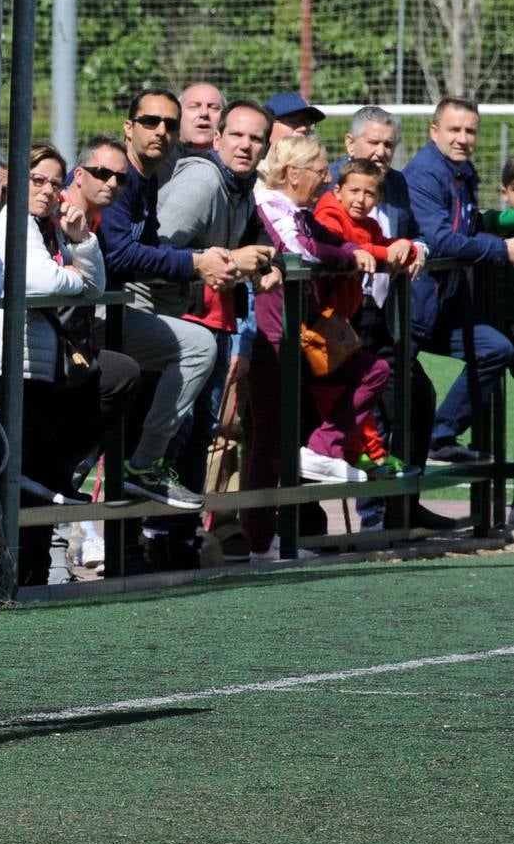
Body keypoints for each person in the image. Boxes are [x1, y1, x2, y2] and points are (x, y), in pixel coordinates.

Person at [246, 135, 391, 560]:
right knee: (267, 443)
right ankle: (259, 544)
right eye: (320, 171)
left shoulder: (301, 212)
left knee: (372, 369)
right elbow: (300, 252)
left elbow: (329, 240)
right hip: (272, 340)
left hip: (309, 333)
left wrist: (355, 250)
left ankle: (322, 450)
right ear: (293, 173)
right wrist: (351, 257)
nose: (327, 179)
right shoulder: (270, 207)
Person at [151, 99, 282, 567]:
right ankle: (151, 535)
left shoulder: (241, 186)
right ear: (219, 139)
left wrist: (269, 262)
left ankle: (179, 535)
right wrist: (226, 259)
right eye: (238, 136)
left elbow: (262, 240)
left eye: (256, 139)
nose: (246, 145)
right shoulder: (203, 181)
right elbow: (157, 252)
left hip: (209, 327)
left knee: (200, 432)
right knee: (172, 434)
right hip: (176, 326)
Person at [95, 87, 233, 511]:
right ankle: (146, 465)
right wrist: (194, 263)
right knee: (197, 346)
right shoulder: (118, 174)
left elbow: (150, 243)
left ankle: (140, 478)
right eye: (150, 122)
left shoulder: (149, 178)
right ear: (129, 127)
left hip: (109, 314)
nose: (161, 132)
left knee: (90, 439)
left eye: (170, 125)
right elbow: (118, 252)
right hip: (81, 318)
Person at [325, 106, 452, 531]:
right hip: (336, 319)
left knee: (418, 398)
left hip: (384, 316)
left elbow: (415, 234)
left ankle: (405, 505)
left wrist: (414, 249)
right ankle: (374, 521)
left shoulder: (396, 184)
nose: (381, 152)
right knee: (366, 412)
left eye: (388, 145)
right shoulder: (328, 182)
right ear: (350, 144)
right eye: (373, 142)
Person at [0, 141, 108, 585]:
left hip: (45, 366)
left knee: (39, 477)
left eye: (55, 183)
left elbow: (96, 287)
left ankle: (36, 573)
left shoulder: (52, 230)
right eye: (36, 179)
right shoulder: (11, 221)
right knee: (20, 476)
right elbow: (38, 282)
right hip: (15, 364)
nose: (46, 190)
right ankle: (15, 574)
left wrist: (81, 240)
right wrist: (76, 280)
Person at [403, 97, 514, 463]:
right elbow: (440, 239)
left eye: (470, 131)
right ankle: (382, 516)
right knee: (397, 406)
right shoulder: (424, 173)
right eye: (455, 129)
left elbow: (469, 227)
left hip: (445, 304)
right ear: (435, 131)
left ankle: (442, 434)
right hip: (412, 307)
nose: (463, 138)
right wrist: (502, 250)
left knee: (494, 348)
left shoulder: (464, 173)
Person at [59, 135, 143, 571]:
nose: (112, 183)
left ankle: (83, 518)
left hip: (78, 348)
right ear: (78, 175)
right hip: (43, 355)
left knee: (120, 376)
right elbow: (57, 284)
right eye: (102, 173)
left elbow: (92, 287)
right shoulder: (54, 213)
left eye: (120, 178)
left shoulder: (95, 221)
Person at [312, 158, 417, 478]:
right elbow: (345, 246)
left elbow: (387, 247)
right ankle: (339, 450)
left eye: (369, 194)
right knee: (342, 388)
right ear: (338, 190)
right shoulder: (329, 212)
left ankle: (366, 453)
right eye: (354, 191)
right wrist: (389, 253)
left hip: (340, 322)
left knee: (362, 383)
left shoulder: (369, 224)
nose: (360, 199)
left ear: (379, 199)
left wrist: (407, 248)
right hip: (319, 322)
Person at [154, 82, 225, 185]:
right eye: (194, 106)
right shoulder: (157, 163)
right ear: (178, 115)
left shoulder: (234, 166)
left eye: (213, 107)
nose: (204, 113)